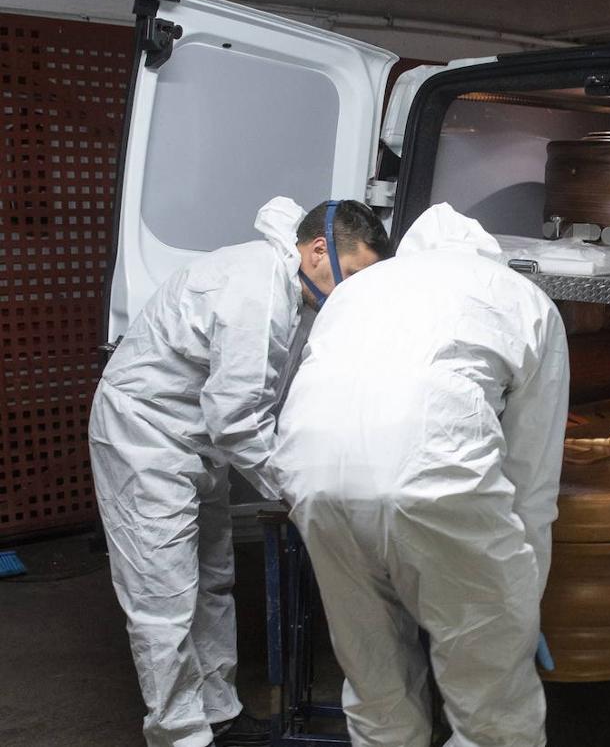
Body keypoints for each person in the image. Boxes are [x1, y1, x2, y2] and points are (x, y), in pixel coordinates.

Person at [88, 197, 390, 747]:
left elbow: (265, 398)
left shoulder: (292, 291)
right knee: (163, 598)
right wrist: (301, 492)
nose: (358, 291)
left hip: (194, 441)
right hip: (145, 438)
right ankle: (180, 734)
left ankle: (220, 714)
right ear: (320, 250)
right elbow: (234, 419)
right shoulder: (255, 288)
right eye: (359, 274)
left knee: (212, 579)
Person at [275, 203, 570, 747]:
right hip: (435, 481)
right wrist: (523, 603)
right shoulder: (524, 299)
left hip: (313, 481)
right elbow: (532, 478)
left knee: (374, 680)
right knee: (491, 705)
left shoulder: (357, 292)